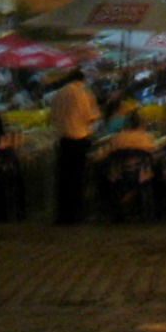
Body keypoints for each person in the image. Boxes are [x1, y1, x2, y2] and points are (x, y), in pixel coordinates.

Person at [50, 66, 100, 225]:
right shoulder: (83, 94)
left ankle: (63, 214)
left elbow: (53, 116)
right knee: (77, 179)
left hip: (63, 140)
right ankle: (76, 214)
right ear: (82, 80)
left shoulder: (58, 94)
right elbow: (90, 116)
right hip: (79, 139)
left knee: (64, 179)